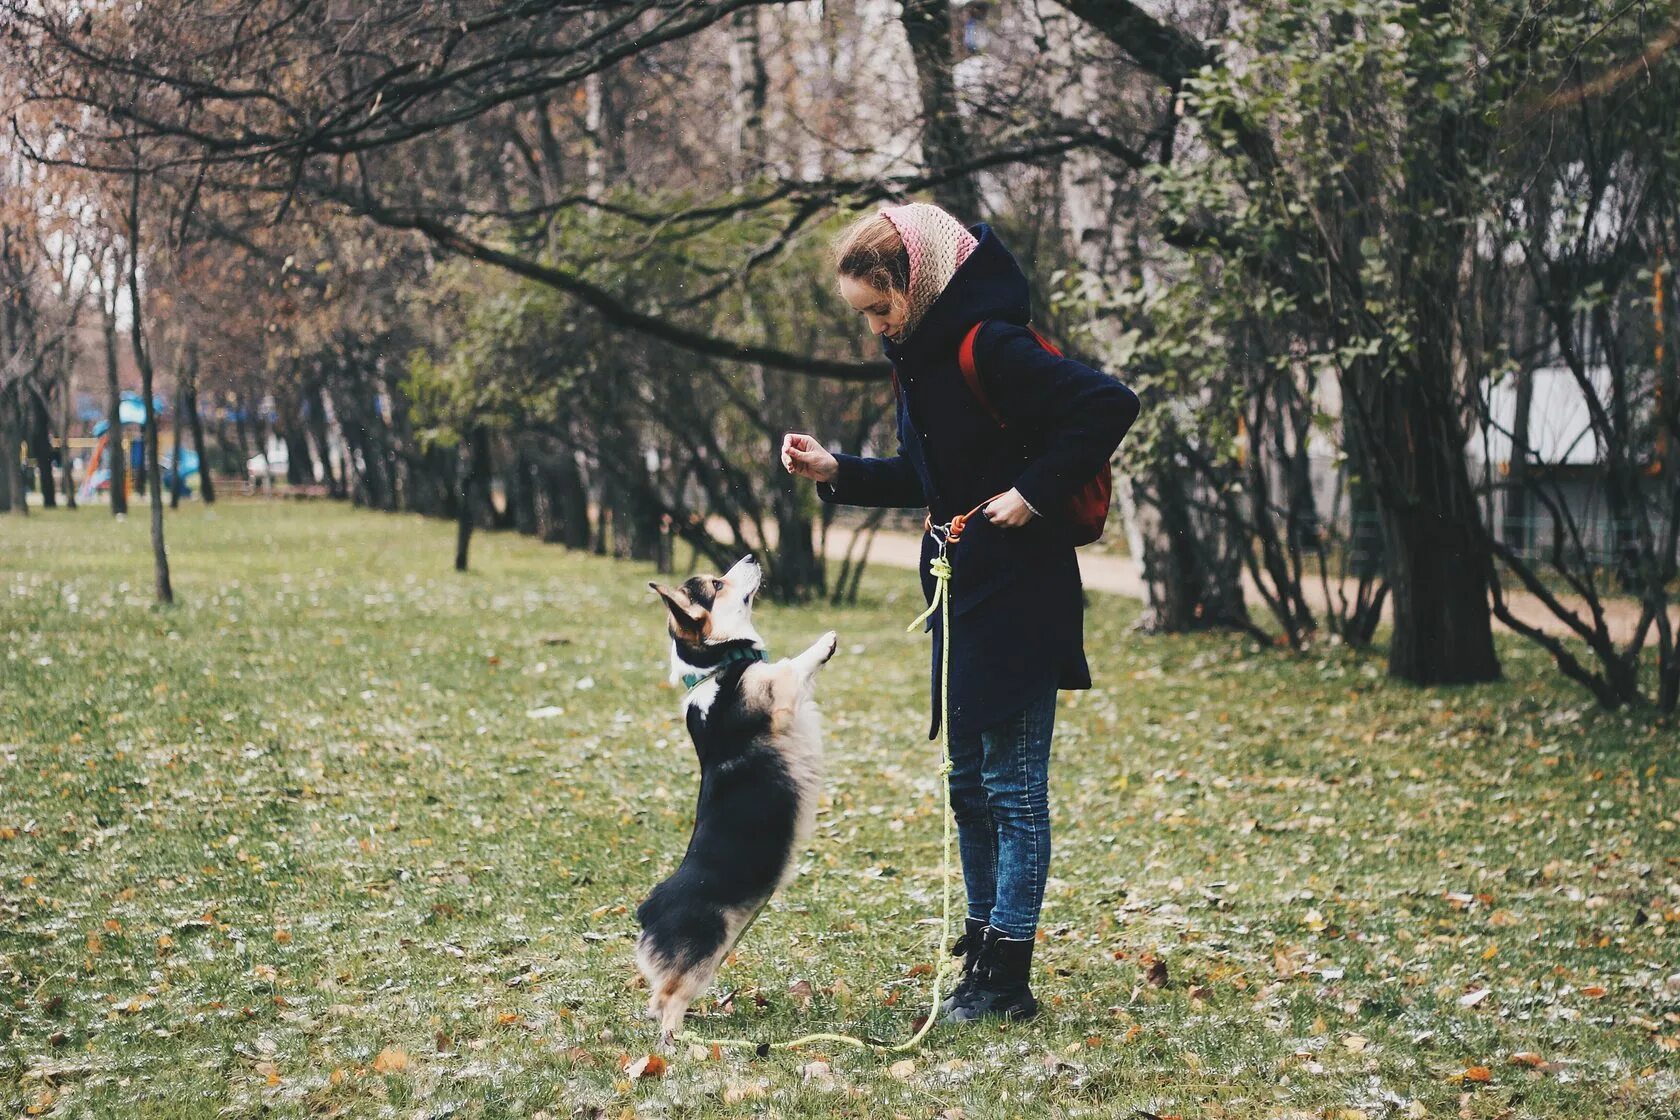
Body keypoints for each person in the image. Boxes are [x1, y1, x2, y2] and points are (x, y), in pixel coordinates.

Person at [781, 202, 1140, 1024]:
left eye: (880, 307)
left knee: (1013, 789)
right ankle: (980, 948)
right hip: (960, 589)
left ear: (918, 280)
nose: (874, 326)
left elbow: (1108, 404)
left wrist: (1030, 494)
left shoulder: (990, 344)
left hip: (1022, 591)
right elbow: (926, 475)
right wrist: (837, 469)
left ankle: (1006, 979)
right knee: (968, 786)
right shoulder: (920, 354)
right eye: (864, 314)